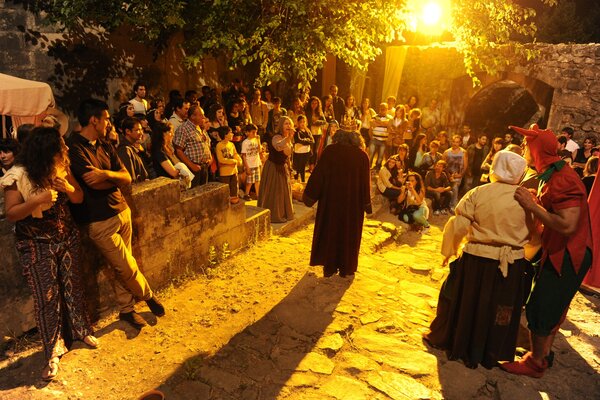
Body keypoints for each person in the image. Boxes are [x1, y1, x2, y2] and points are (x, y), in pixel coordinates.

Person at [1, 127, 99, 380]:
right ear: (46, 152)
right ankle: (53, 351)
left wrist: (68, 187)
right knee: (47, 298)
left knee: (73, 286)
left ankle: (81, 330)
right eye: (60, 147)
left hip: (66, 236)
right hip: (36, 244)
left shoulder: (61, 168)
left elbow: (78, 199)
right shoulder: (17, 175)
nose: (65, 149)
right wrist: (36, 200)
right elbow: (11, 213)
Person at [424, 150, 532, 369]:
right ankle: (492, 350)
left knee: (469, 303)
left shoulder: (479, 193)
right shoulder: (526, 198)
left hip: (477, 260)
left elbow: (459, 225)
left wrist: (450, 250)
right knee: (500, 308)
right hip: (511, 264)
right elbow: (533, 232)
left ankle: (463, 344)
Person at [501, 124, 592, 378]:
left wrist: (532, 206)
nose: (523, 150)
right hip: (558, 249)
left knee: (542, 306)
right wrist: (538, 201)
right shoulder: (552, 172)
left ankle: (535, 363)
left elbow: (567, 224)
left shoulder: (563, 179)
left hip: (568, 254)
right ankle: (542, 354)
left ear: (535, 150)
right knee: (551, 306)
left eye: (525, 146)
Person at [68, 99, 165, 329]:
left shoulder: (104, 144)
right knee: (125, 265)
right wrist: (112, 178)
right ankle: (148, 295)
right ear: (94, 120)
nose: (109, 123)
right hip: (98, 219)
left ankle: (127, 310)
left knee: (125, 262)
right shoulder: (74, 148)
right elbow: (92, 184)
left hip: (121, 210)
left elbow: (126, 177)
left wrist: (105, 175)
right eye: (106, 119)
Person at [303, 130, 371, 277]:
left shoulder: (330, 151)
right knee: (349, 233)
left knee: (331, 232)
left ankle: (329, 267)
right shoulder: (362, 156)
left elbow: (319, 175)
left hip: (331, 202)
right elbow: (365, 183)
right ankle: (347, 267)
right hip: (353, 205)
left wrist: (309, 196)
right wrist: (367, 203)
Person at [258, 116, 294, 223]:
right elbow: (278, 146)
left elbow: (287, 154)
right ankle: (273, 214)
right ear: (281, 125)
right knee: (274, 192)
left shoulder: (288, 138)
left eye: (289, 123)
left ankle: (283, 212)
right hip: (273, 167)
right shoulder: (276, 137)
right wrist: (288, 138)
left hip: (282, 167)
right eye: (286, 123)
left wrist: (289, 167)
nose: (288, 126)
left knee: (283, 191)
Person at [173, 104, 213, 187]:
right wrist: (192, 165)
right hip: (193, 168)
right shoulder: (183, 129)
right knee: (195, 191)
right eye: (201, 115)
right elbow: (179, 150)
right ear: (192, 116)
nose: (203, 117)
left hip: (204, 167)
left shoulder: (200, 128)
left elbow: (206, 143)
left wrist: (210, 158)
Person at [215, 126, 243, 204]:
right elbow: (221, 159)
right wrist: (233, 161)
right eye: (230, 132)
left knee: (234, 188)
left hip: (234, 171)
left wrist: (239, 160)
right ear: (225, 134)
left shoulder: (231, 144)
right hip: (224, 172)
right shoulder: (219, 145)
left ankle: (234, 203)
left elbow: (235, 154)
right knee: (226, 190)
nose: (232, 134)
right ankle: (226, 204)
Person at [241, 124, 263, 199]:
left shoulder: (256, 140)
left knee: (257, 180)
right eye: (253, 132)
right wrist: (247, 167)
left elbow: (259, 150)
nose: (255, 134)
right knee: (249, 181)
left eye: (256, 132)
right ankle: (246, 194)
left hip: (256, 163)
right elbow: (243, 155)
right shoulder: (245, 142)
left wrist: (259, 140)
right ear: (247, 132)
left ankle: (258, 195)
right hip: (249, 164)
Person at [293, 115, 314, 182]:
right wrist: (307, 140)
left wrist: (305, 140)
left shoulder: (307, 130)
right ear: (298, 123)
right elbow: (298, 140)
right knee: (299, 166)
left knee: (302, 166)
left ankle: (301, 179)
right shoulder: (296, 131)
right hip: (299, 151)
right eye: (301, 122)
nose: (302, 123)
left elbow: (312, 141)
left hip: (306, 151)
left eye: (304, 121)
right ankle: (301, 180)